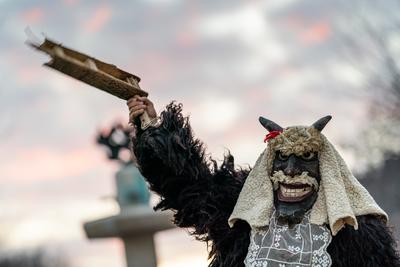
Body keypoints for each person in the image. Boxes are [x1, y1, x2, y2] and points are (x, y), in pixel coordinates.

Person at [127, 96, 400, 267]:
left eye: (304, 158)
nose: (292, 170)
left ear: (325, 170)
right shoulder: (241, 214)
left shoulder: (359, 235)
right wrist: (154, 131)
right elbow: (189, 187)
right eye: (282, 158)